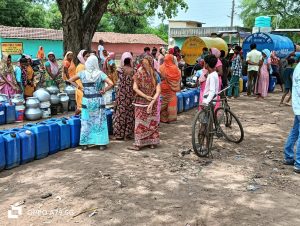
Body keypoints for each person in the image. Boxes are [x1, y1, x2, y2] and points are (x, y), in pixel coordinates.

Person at [68, 55, 114, 150]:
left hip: (86, 100)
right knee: (99, 121)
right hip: (98, 101)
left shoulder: (82, 73)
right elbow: (111, 83)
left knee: (86, 121)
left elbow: (70, 80)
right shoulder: (100, 74)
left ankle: (85, 143)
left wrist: (80, 87)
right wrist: (104, 89)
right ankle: (101, 143)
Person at [128, 54, 161, 151]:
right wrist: (151, 102)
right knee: (152, 122)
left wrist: (145, 96)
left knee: (140, 123)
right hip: (152, 102)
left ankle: (139, 144)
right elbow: (158, 91)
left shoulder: (138, 73)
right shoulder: (155, 75)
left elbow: (135, 88)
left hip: (141, 103)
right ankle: (152, 143)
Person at [113, 52, 135, 140]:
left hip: (121, 94)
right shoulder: (133, 70)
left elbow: (116, 81)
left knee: (120, 113)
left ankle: (119, 134)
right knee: (129, 113)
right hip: (130, 94)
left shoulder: (119, 70)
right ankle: (127, 134)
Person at [283, 62, 300, 173]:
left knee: (295, 131)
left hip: (297, 106)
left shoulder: (298, 67)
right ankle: (298, 163)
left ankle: (288, 156)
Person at [159, 54, 181, 123]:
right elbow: (178, 76)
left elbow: (160, 77)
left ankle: (163, 118)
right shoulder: (175, 68)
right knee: (172, 102)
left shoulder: (161, 67)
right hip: (172, 89)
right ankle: (171, 118)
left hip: (163, 88)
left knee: (163, 102)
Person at [75, 50, 90, 114]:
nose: (88, 58)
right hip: (82, 89)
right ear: (82, 57)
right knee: (82, 108)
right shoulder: (81, 67)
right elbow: (79, 80)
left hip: (85, 89)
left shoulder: (86, 65)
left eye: (89, 56)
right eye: (86, 56)